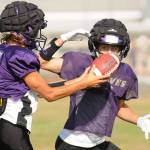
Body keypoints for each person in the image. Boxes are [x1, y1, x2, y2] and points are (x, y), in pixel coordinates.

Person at [0, 1, 108, 150]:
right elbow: (49, 94)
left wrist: (80, 80)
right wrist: (85, 83)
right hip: (10, 127)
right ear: (27, 29)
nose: (38, 34)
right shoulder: (19, 55)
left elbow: (37, 89)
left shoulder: (5, 51)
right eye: (36, 29)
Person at [39, 18, 150, 150]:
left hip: (97, 143)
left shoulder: (125, 72)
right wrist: (61, 39)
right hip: (72, 144)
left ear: (122, 49)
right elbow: (42, 63)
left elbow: (118, 106)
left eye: (114, 48)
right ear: (95, 47)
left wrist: (139, 121)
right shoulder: (80, 63)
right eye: (104, 47)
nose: (109, 53)